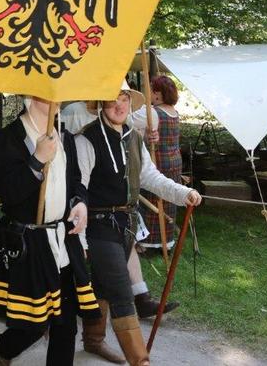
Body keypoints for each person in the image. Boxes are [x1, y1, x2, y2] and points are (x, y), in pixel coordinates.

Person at [76, 86, 202, 366]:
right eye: (113, 100)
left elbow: (150, 177)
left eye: (124, 99)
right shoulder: (86, 138)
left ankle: (93, 340)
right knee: (122, 292)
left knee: (102, 286)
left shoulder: (133, 137)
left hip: (126, 225)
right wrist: (80, 238)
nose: (120, 105)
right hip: (98, 225)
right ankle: (140, 361)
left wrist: (182, 193)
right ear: (101, 103)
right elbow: (78, 189)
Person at [0, 96, 98, 365]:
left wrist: (79, 202)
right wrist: (37, 160)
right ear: (29, 96)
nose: (56, 99)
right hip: (29, 242)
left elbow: (76, 181)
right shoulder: (4, 140)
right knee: (33, 325)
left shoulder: (65, 137)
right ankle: (2, 350)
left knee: (66, 325)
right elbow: (8, 193)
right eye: (47, 93)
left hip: (63, 240)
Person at [139, 75, 182, 253]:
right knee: (168, 197)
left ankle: (149, 243)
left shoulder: (153, 113)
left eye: (150, 90)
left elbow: (127, 120)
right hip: (174, 161)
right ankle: (166, 241)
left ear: (157, 94)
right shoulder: (173, 111)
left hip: (159, 161)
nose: (148, 93)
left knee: (153, 196)